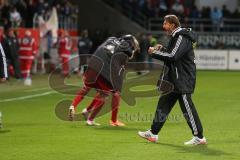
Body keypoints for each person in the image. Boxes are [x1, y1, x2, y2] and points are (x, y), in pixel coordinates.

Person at [138, 15, 207, 145]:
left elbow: (173, 56)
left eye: (165, 23)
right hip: (174, 79)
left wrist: (154, 53)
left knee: (187, 108)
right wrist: (162, 49)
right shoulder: (177, 37)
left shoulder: (181, 36)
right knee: (163, 105)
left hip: (182, 79)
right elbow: (173, 54)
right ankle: (153, 133)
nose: (163, 26)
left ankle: (200, 137)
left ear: (173, 25)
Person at [68, 35, 139, 126]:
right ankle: (91, 120)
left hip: (93, 64)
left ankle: (73, 106)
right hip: (105, 70)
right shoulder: (126, 51)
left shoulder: (111, 39)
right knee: (105, 95)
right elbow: (122, 64)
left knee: (86, 88)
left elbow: (100, 49)